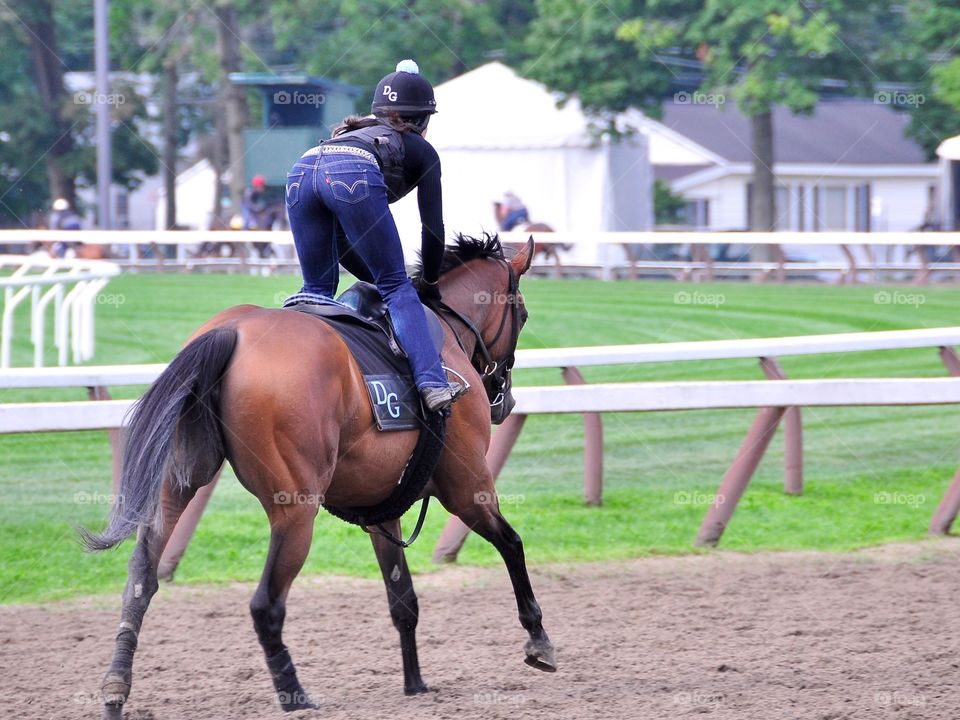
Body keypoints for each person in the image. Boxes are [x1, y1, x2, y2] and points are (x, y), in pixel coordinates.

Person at [285, 60, 465, 413]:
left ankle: (289, 358)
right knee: (398, 287)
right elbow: (433, 229)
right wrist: (427, 282)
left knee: (317, 290)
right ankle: (432, 383)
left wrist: (374, 276)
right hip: (350, 171)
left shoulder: (348, 134)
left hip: (301, 169)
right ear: (424, 121)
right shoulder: (422, 150)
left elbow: (344, 245)